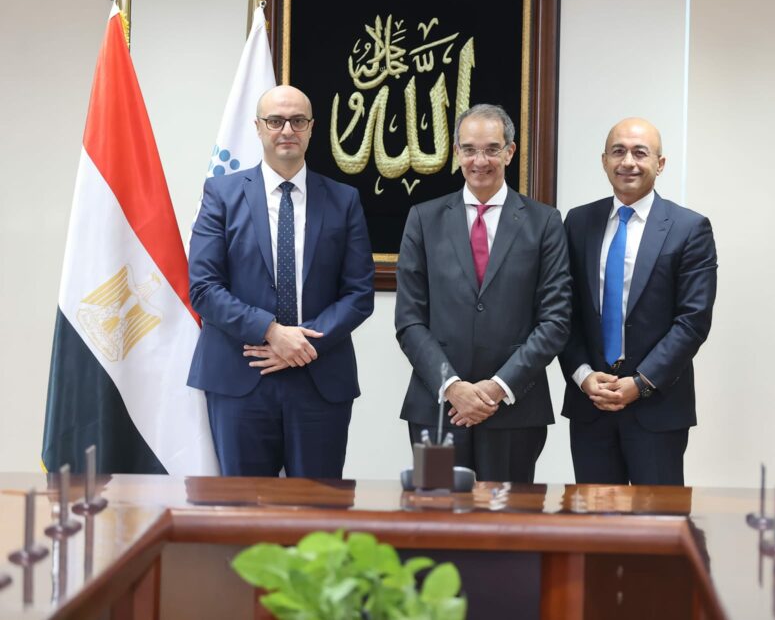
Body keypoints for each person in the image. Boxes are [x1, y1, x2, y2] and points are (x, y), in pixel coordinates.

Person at [188, 85, 374, 478]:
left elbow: (359, 294)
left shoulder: (344, 199)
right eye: (275, 121)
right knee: (244, 507)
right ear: (258, 127)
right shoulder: (221, 194)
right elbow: (204, 288)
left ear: (311, 128)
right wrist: (272, 332)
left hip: (319, 378)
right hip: (240, 376)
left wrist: (302, 344)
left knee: (318, 506)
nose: (287, 130)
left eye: (297, 121)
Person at [395, 104, 571, 483]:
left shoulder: (544, 222)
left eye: (492, 149)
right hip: (439, 410)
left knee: (508, 517)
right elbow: (409, 321)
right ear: (456, 152)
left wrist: (497, 387)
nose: (480, 161)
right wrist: (452, 387)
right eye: (470, 149)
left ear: (509, 152)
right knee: (438, 511)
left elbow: (555, 321)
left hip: (513, 410)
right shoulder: (423, 219)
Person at [559, 117, 717, 485]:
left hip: (657, 408)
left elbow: (692, 321)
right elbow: (564, 312)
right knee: (594, 518)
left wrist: (641, 383)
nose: (627, 161)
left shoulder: (689, 228)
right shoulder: (578, 222)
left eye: (640, 153)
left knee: (656, 519)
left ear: (660, 164)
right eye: (618, 151)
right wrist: (583, 376)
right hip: (591, 405)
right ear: (604, 161)